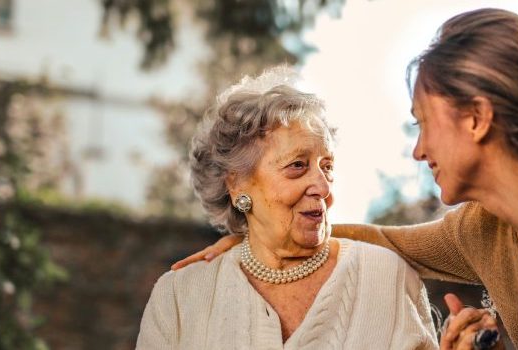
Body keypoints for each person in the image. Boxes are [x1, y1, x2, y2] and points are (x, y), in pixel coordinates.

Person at [172, 8, 518, 350]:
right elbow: (383, 240)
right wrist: (257, 236)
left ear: (476, 118)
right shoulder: (486, 229)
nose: (418, 149)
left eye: (423, 123)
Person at [136, 68, 439, 349]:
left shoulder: (389, 278)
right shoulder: (179, 297)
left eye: (327, 166)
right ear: (237, 184)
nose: (322, 187)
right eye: (297, 165)